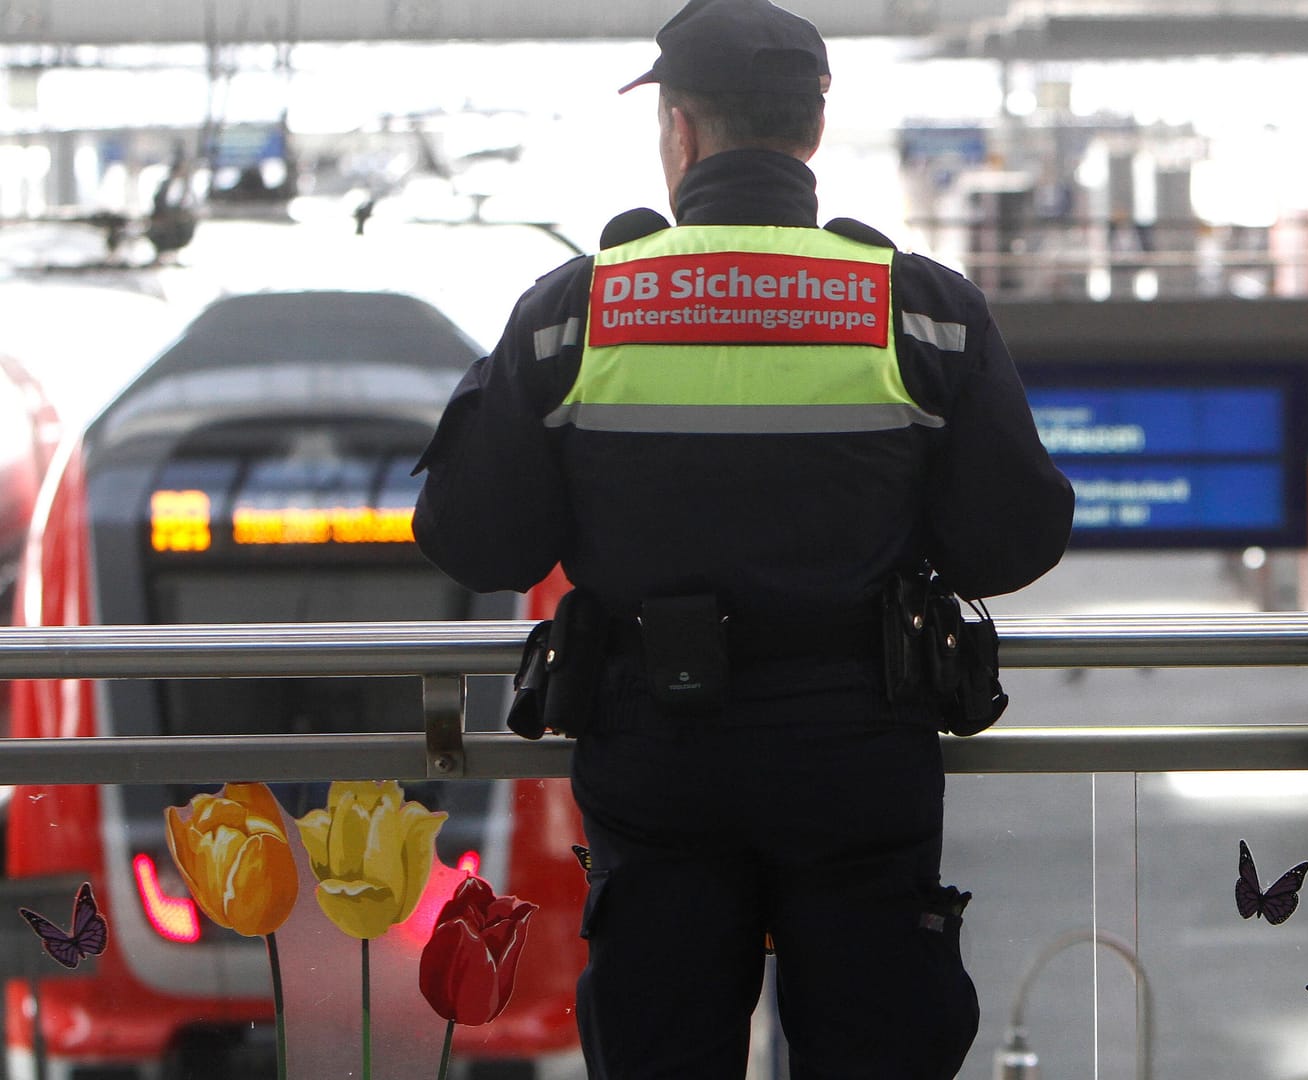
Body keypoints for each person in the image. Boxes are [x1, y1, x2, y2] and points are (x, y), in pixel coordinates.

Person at [409, 0, 1075, 1075]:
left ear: (678, 130)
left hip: (656, 758)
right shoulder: (918, 312)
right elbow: (1013, 540)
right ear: (813, 130)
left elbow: (475, 540)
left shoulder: (575, 315)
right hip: (860, 753)